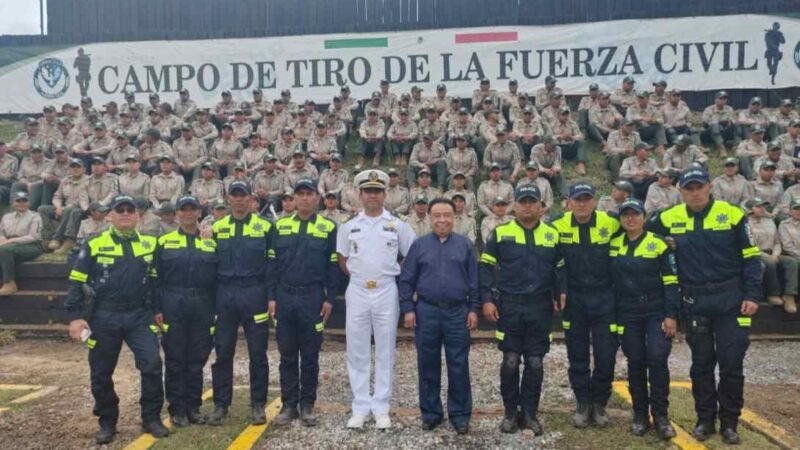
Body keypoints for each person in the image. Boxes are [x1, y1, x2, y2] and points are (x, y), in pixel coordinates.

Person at [648, 168, 761, 444]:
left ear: (710, 187)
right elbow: (640, 230)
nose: (694, 193)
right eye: (689, 188)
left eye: (699, 187)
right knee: (701, 364)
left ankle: (730, 422)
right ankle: (705, 419)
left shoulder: (732, 214)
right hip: (694, 300)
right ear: (681, 191)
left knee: (731, 363)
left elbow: (751, 256)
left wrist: (752, 295)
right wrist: (663, 241)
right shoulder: (668, 217)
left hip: (731, 299)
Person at [65, 194, 167, 445]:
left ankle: (151, 417)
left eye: (129, 210)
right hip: (103, 315)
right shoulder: (94, 243)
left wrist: (157, 310)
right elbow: (76, 281)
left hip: (139, 315)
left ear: (138, 215)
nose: (124, 214)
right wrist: (75, 318)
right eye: (119, 210)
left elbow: (156, 281)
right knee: (101, 372)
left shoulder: (150, 243)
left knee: (152, 364)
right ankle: (107, 421)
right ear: (110, 214)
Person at [480, 184, 564, 434]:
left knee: (536, 362)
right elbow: (485, 268)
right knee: (510, 360)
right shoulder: (501, 233)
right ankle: (509, 413)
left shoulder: (552, 234)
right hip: (510, 306)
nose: (527, 206)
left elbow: (560, 268)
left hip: (540, 308)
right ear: (515, 206)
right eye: (523, 201)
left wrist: (562, 292)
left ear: (541, 206)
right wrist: (486, 300)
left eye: (532, 201)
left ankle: (529, 413)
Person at [336, 170, 416, 429]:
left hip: (386, 290)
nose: (373, 195)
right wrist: (362, 277)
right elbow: (343, 259)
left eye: (378, 191)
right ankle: (360, 406)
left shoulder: (398, 224)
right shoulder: (348, 226)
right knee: (356, 349)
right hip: (358, 289)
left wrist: (385, 275)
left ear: (385, 194)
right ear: (360, 194)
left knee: (385, 349)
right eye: (368, 191)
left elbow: (410, 256)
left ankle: (381, 407)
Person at [399, 198, 478, 434]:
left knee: (458, 364)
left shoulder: (465, 245)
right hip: (427, 312)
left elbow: (474, 281)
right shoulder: (419, 245)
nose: (442, 220)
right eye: (437, 216)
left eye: (447, 215)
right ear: (430, 218)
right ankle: (431, 413)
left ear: (454, 218)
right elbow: (406, 280)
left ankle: (460, 414)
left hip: (457, 312)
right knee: (427, 364)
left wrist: (473, 309)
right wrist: (408, 309)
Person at [270, 180, 339, 427]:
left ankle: (307, 404)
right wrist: (272, 297)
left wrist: (330, 298)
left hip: (313, 297)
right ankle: (289, 405)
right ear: (294, 199)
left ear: (317, 199)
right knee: (287, 354)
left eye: (310, 194)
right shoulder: (280, 226)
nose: (305, 198)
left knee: (310, 354)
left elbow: (333, 267)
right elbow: (272, 265)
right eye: (300, 194)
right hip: (285, 296)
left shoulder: (329, 227)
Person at [552, 183, 621, 428]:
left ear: (594, 201)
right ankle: (582, 403)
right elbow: (553, 261)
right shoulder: (556, 225)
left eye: (587, 198)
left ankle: (600, 403)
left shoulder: (611, 222)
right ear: (568, 202)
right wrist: (558, 290)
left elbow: (640, 230)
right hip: (574, 300)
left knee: (606, 355)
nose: (582, 203)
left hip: (605, 299)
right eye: (577, 199)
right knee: (577, 354)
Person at [609, 198, 678, 440]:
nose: (630, 218)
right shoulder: (613, 244)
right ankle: (640, 415)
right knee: (635, 361)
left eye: (635, 214)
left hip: (655, 311)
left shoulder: (658, 244)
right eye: (626, 214)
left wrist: (671, 314)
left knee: (657, 359)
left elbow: (671, 282)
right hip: (627, 313)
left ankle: (661, 416)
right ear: (620, 218)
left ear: (644, 217)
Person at [208, 181, 275, 426]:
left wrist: (270, 297)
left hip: (254, 292)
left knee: (258, 352)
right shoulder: (217, 227)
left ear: (250, 199)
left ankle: (258, 404)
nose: (238, 200)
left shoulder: (266, 227)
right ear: (228, 198)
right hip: (225, 294)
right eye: (234, 195)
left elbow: (272, 265)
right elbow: (211, 265)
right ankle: (220, 405)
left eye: (242, 195)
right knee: (223, 352)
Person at [152, 195, 217, 427]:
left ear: (199, 213)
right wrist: (157, 308)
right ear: (177, 214)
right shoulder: (164, 241)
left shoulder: (211, 240)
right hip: (173, 303)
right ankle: (177, 409)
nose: (188, 214)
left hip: (203, 304)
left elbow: (218, 279)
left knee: (197, 359)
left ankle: (194, 408)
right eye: (184, 210)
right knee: (175, 358)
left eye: (192, 210)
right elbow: (155, 278)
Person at [0, 192, 44, 296]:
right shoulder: (7, 217)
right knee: (4, 250)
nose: (21, 203)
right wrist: (2, 239)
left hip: (31, 245)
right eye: (18, 201)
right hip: (9, 244)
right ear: (13, 203)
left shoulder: (35, 216)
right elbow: (1, 232)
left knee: (5, 250)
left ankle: (9, 284)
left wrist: (9, 241)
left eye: (24, 201)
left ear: (28, 203)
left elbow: (33, 237)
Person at [777, 200, 800, 314]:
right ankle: (789, 295)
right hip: (790, 254)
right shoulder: (784, 225)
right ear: (790, 211)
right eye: (796, 209)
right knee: (792, 263)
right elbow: (787, 246)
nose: (798, 211)